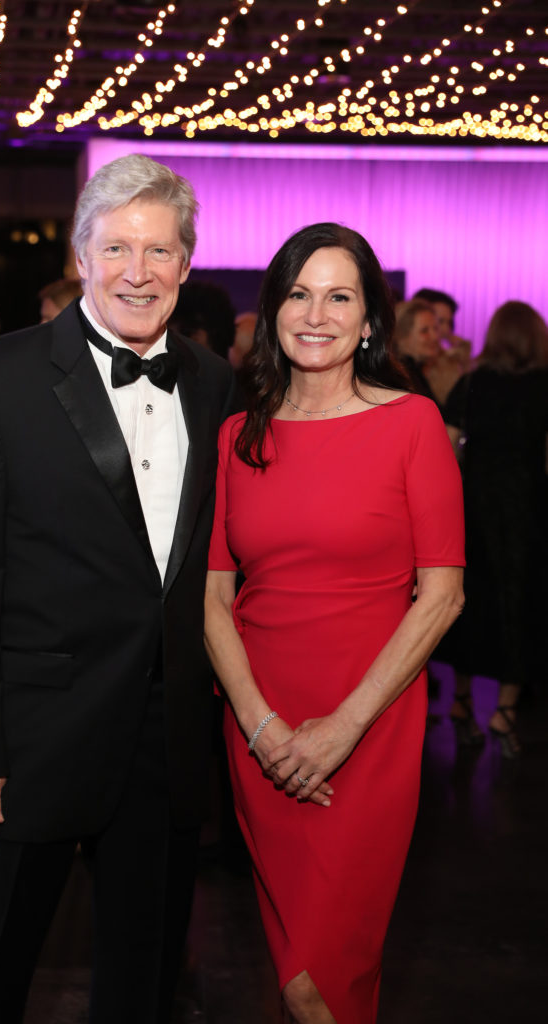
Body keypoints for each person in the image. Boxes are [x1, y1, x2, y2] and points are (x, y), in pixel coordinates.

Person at [0, 154, 235, 1024]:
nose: (139, 271)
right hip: (27, 744)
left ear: (186, 262)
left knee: (142, 985)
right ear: (81, 255)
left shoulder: (214, 384)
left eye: (160, 250)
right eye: (118, 248)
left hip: (164, 747)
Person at [204, 223, 465, 1024]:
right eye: (297, 293)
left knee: (323, 976)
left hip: (369, 724)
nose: (315, 313)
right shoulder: (234, 438)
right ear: (274, 310)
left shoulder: (410, 424)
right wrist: (260, 727)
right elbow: (213, 601)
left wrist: (340, 729)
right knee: (296, 971)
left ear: (366, 322)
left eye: (338, 296)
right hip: (261, 729)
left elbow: (443, 593)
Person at [443, 300, 548, 757]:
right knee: (519, 606)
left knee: (468, 600)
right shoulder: (546, 387)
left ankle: (462, 699)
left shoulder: (469, 384)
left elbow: (445, 450)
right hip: (528, 510)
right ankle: (504, 710)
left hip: (473, 508)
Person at [413, 287, 471, 406]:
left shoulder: (449, 361)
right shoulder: (403, 366)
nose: (445, 330)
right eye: (439, 322)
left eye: (449, 323)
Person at [392, 297, 441, 406]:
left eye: (435, 329)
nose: (434, 337)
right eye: (424, 331)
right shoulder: (402, 378)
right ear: (402, 336)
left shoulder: (415, 371)